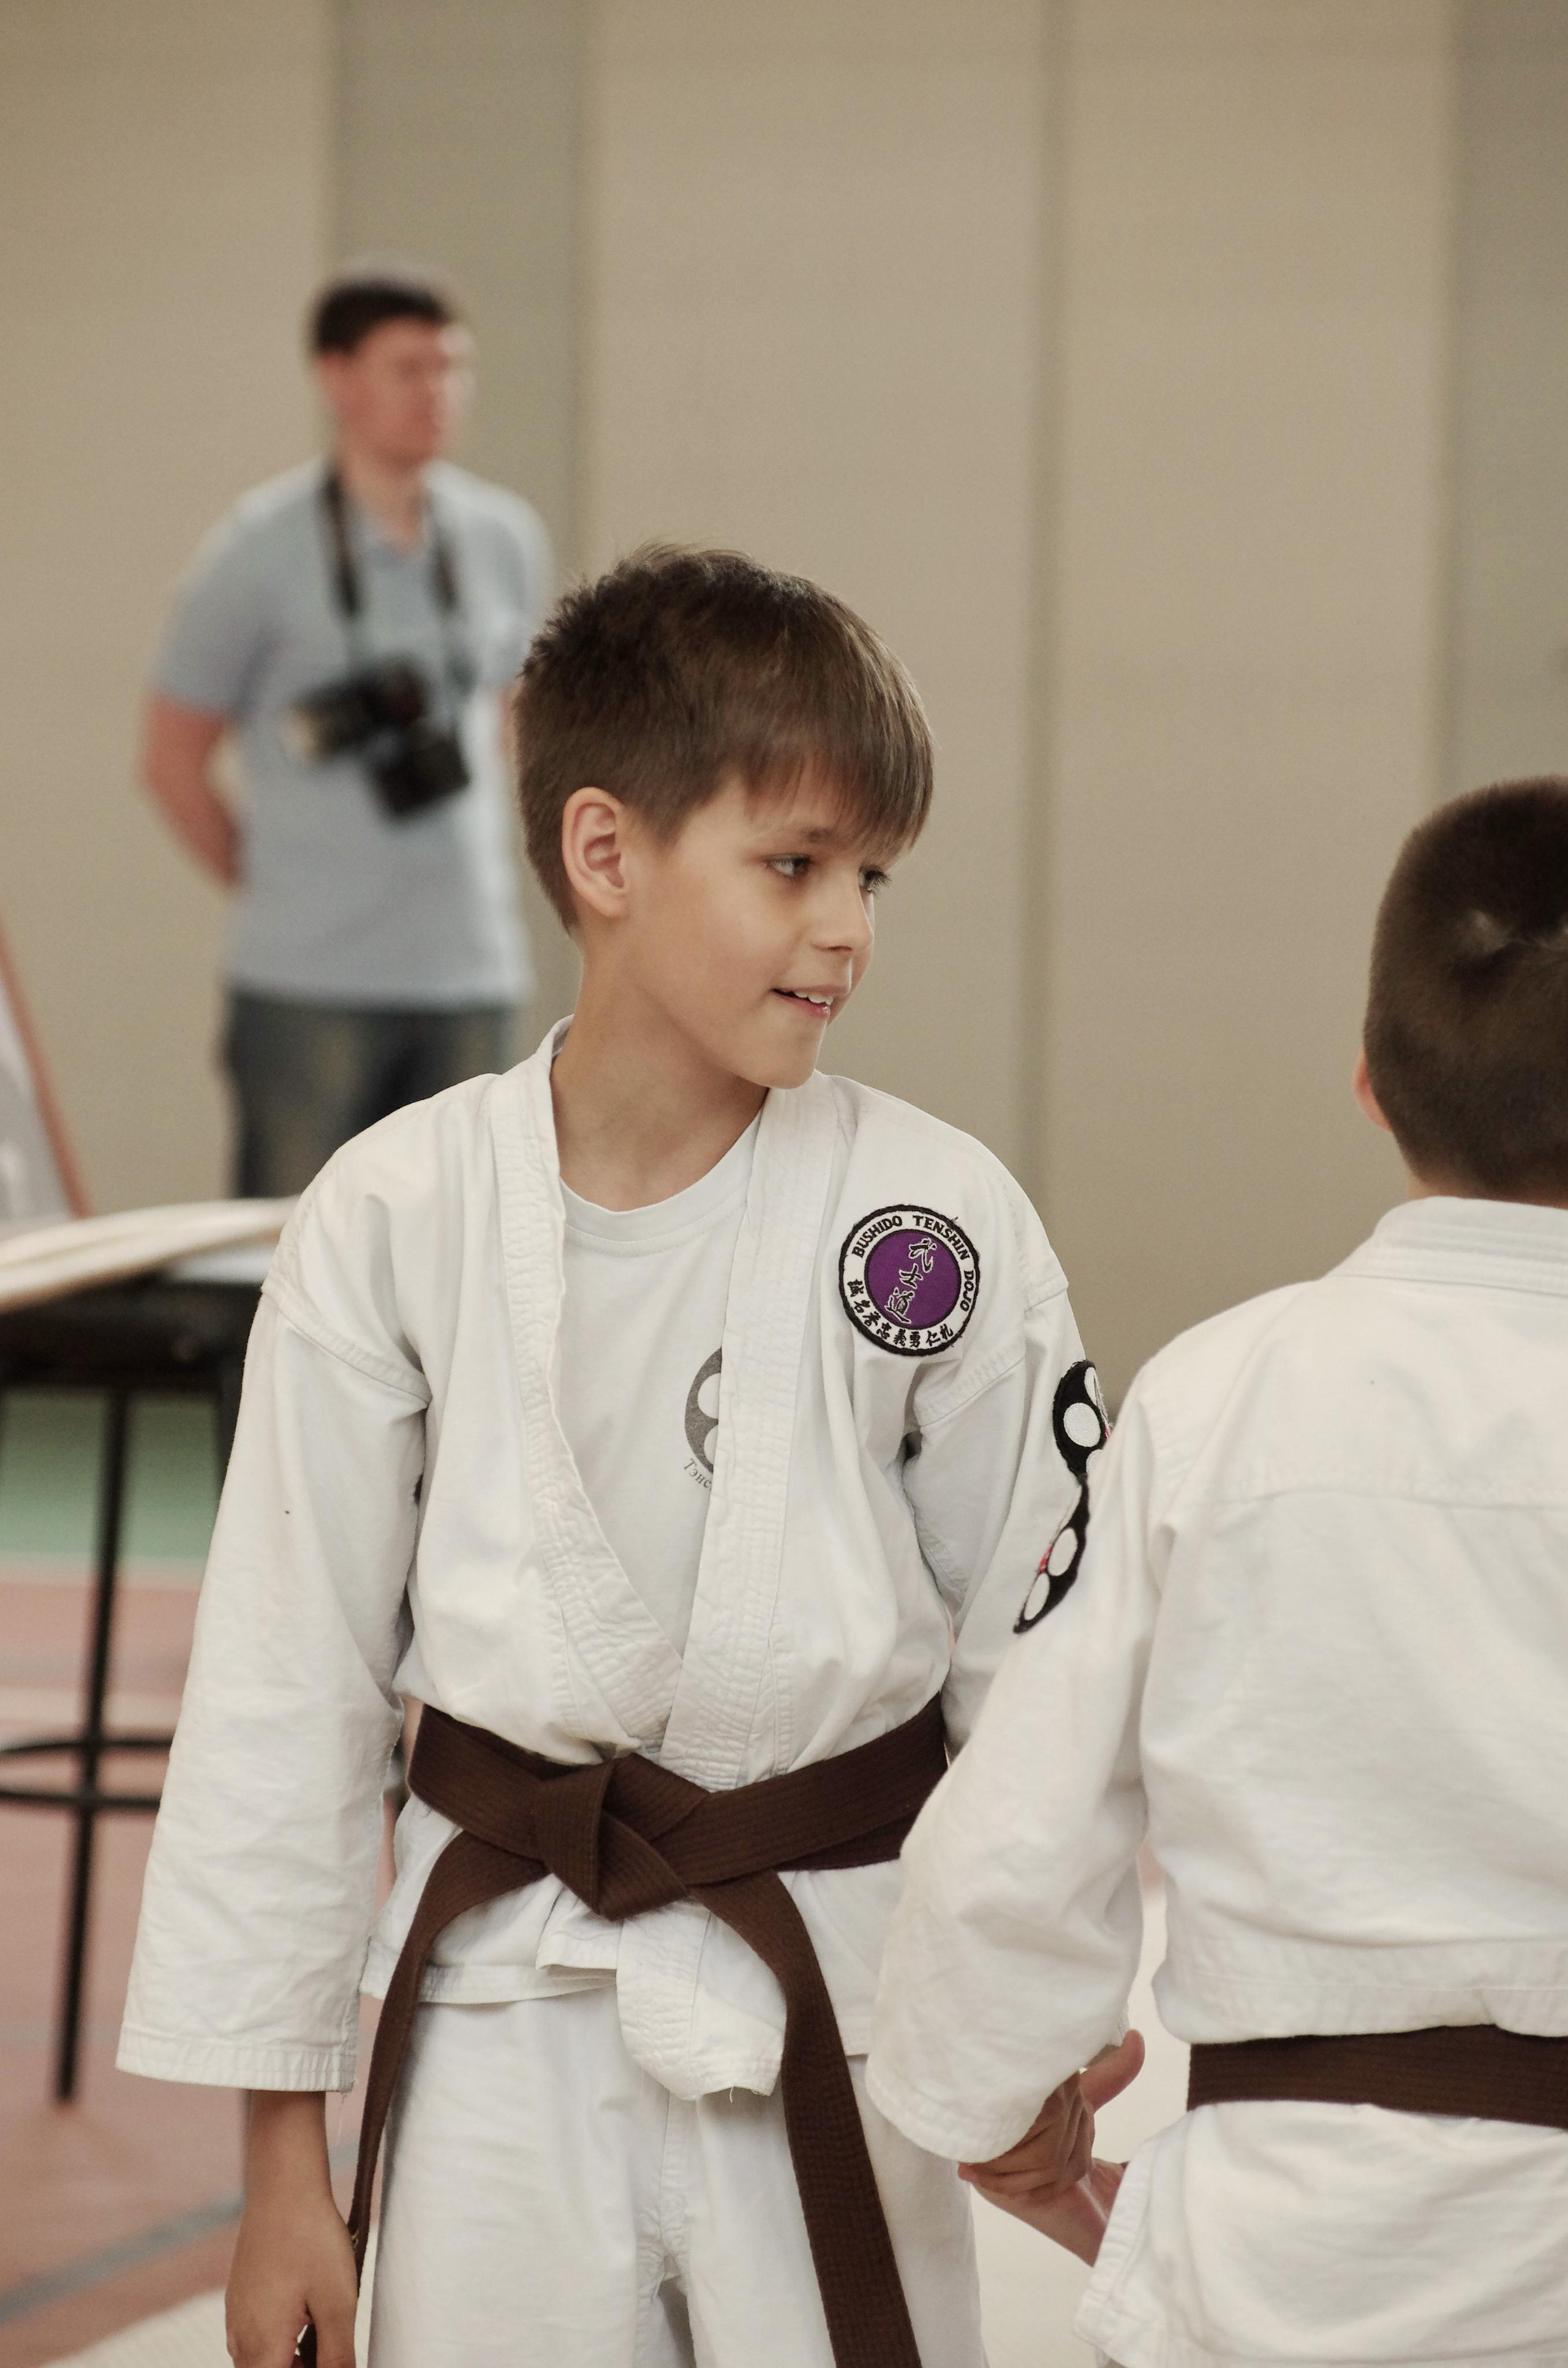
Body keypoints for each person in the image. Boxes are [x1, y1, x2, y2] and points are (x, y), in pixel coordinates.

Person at [118, 546, 1098, 2368]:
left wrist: (1026, 2028)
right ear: (605, 854)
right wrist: (282, 2177)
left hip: (836, 1987)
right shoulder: (395, 1212)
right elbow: (288, 1689)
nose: (848, 930)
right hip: (501, 2010)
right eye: (794, 865)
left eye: (872, 877)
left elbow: (1042, 1666)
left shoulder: (932, 1222)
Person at [867, 778, 1568, 2366]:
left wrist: (1003, 2104)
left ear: (1370, 1081)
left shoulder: (1221, 1398)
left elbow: (1017, 1842)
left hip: (1276, 2263)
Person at [141, 260, 551, 1197]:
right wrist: (280, 882)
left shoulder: (501, 537)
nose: (438, 392)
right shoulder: (254, 551)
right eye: (409, 367)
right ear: (336, 378)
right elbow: (170, 761)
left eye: (453, 367)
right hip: (307, 981)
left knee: (461, 1254)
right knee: (286, 1257)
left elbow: (510, 727)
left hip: (468, 970)